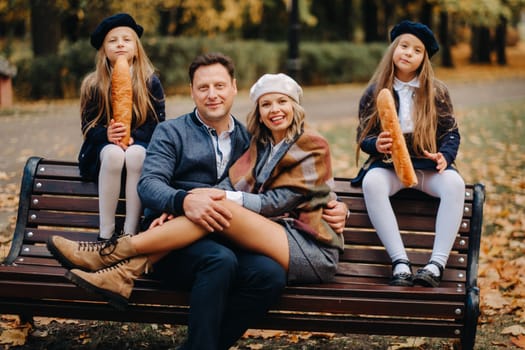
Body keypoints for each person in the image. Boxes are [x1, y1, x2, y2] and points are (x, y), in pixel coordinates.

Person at [49, 53, 348, 350]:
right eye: (203, 87)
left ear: (233, 88)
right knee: (219, 260)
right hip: (172, 245)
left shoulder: (250, 139)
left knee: (268, 275)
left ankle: (120, 264)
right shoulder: (173, 132)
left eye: (219, 85)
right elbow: (150, 185)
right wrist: (180, 204)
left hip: (235, 233)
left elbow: (283, 194)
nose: (212, 94)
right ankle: (120, 264)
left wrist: (338, 208)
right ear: (192, 91)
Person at [352, 20, 465, 287]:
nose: (408, 53)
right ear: (393, 49)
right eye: (404, 46)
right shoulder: (375, 91)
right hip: (391, 167)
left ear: (424, 59)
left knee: (455, 185)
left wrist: (445, 157)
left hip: (426, 166)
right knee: (372, 182)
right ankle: (400, 261)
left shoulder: (437, 92)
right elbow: (363, 136)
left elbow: (451, 133)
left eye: (417, 50)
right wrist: (375, 144)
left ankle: (436, 264)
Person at [77, 13, 165, 240]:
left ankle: (130, 232)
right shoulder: (93, 84)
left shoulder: (150, 81)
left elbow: (158, 124)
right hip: (102, 150)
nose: (120, 44)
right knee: (115, 154)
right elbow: (87, 127)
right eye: (112, 40)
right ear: (103, 50)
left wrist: (133, 135)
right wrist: (107, 133)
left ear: (137, 48)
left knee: (136, 155)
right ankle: (105, 233)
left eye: (127, 39)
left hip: (141, 146)